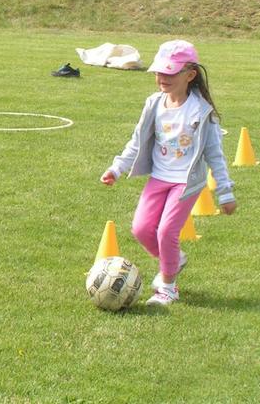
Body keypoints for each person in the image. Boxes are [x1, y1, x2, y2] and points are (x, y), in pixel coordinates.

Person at [100, 40, 237, 306]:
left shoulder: (201, 112)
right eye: (159, 72)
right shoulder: (154, 104)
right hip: (159, 178)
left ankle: (168, 287)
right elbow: (137, 142)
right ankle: (174, 261)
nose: (163, 77)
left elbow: (215, 155)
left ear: (190, 75)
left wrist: (225, 192)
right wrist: (116, 168)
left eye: (170, 72)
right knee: (141, 229)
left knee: (166, 232)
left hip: (186, 182)